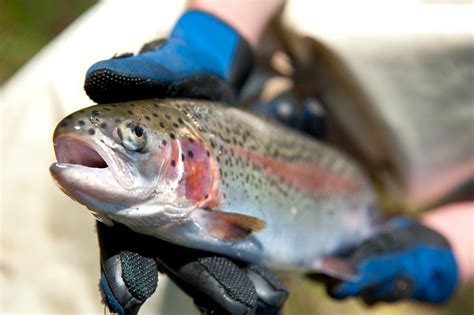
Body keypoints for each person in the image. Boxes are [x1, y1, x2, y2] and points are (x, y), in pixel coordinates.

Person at [82, 1, 474, 314]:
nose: (132, 143)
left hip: (378, 178)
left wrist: (454, 245)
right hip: (241, 51)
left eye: (134, 139)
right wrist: (212, 35)